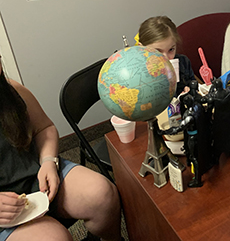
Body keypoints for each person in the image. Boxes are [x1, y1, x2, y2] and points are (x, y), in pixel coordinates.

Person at [0, 57, 122, 241]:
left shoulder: (12, 90)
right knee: (56, 238)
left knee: (103, 194)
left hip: (37, 178)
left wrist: (48, 162)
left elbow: (44, 128)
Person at [135, 16, 196, 96]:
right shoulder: (136, 74)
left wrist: (190, 90)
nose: (166, 58)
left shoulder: (183, 63)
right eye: (157, 51)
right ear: (141, 49)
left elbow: (194, 86)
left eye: (171, 50)